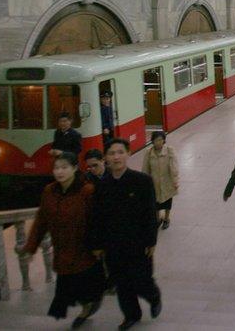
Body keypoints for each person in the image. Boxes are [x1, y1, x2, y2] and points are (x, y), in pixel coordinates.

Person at [20, 152, 104, 328]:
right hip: (61, 248)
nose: (60, 172)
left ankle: (89, 305)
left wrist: (98, 245)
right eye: (56, 168)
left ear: (74, 168)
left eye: (64, 167)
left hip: (83, 248)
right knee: (69, 285)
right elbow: (41, 220)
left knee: (82, 282)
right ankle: (88, 304)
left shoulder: (86, 191)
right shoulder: (49, 191)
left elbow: (97, 220)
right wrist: (30, 247)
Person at [89, 139, 162, 330]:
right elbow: (96, 216)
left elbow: (150, 212)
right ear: (106, 158)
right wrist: (96, 244)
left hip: (138, 242)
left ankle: (153, 297)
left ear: (128, 154)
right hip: (113, 244)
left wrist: (151, 241)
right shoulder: (102, 185)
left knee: (141, 280)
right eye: (112, 153)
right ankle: (132, 315)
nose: (116, 157)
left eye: (120, 152)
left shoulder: (142, 181)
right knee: (122, 282)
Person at [143, 131, 179, 230]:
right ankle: (157, 219)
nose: (158, 142)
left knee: (167, 201)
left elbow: (173, 166)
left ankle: (167, 218)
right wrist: (145, 183)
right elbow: (145, 169)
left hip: (167, 181)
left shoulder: (169, 150)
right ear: (152, 141)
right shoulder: (148, 152)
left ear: (163, 140)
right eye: (156, 140)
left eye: (160, 140)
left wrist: (175, 180)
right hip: (154, 183)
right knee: (155, 203)